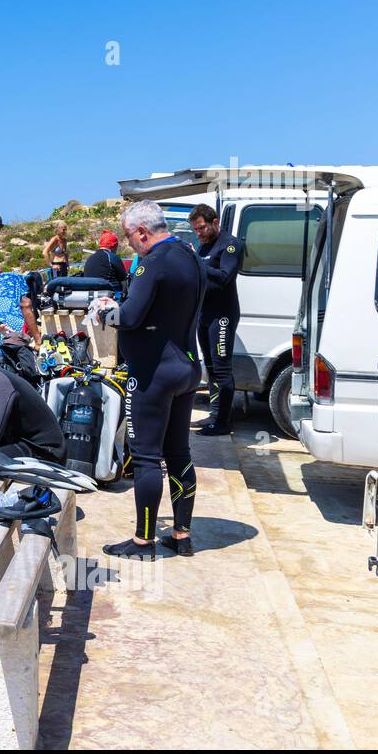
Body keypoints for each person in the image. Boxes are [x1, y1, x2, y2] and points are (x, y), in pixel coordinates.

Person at [92, 200, 206, 559]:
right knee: (179, 453)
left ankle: (143, 541)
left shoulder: (153, 263)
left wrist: (105, 311)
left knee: (144, 457)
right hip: (187, 366)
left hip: (155, 374)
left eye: (129, 236)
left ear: (143, 231)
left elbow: (131, 317)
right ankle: (182, 534)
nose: (129, 244)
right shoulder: (190, 255)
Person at [188, 203, 242, 435]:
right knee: (209, 367)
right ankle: (214, 414)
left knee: (221, 368)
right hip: (204, 314)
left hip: (223, 315)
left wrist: (197, 261)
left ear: (215, 222)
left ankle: (222, 422)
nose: (198, 234)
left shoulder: (230, 245)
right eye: (196, 230)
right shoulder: (202, 248)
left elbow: (224, 277)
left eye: (201, 229)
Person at [81, 230, 128, 295]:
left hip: (90, 294)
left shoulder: (90, 258)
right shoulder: (112, 257)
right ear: (114, 246)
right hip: (110, 295)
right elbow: (124, 280)